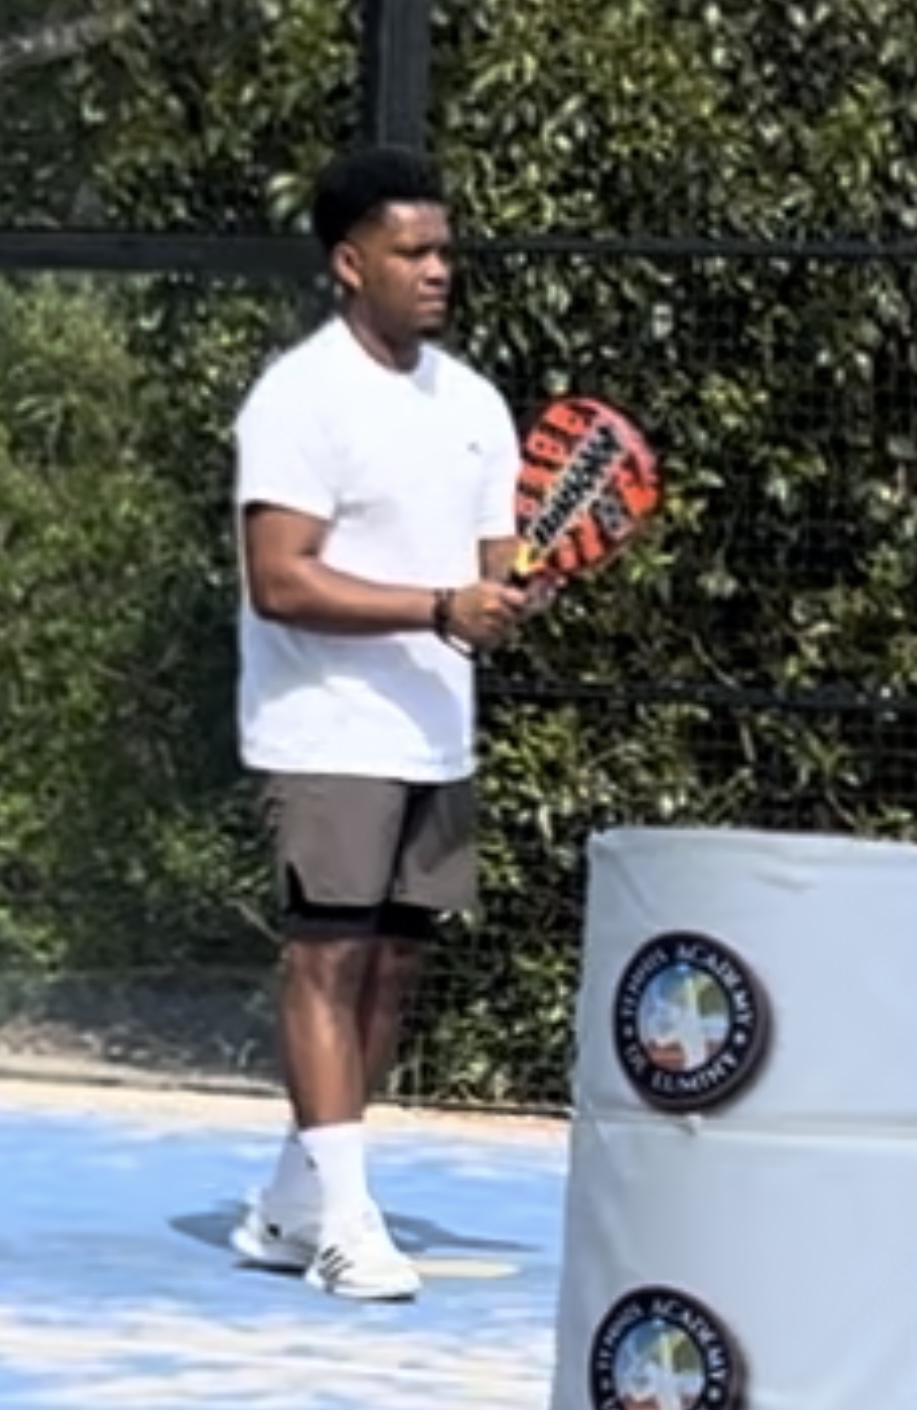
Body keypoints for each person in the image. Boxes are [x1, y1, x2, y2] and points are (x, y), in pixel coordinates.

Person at [228, 145, 546, 1300]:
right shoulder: (298, 399)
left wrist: (512, 599)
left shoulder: (474, 406)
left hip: (433, 734)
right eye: (410, 251)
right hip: (325, 730)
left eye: (443, 249)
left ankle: (291, 1204)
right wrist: (438, 608)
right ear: (348, 264)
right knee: (328, 960)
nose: (435, 269)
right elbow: (281, 579)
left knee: (392, 970)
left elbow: (493, 571)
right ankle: (345, 1229)